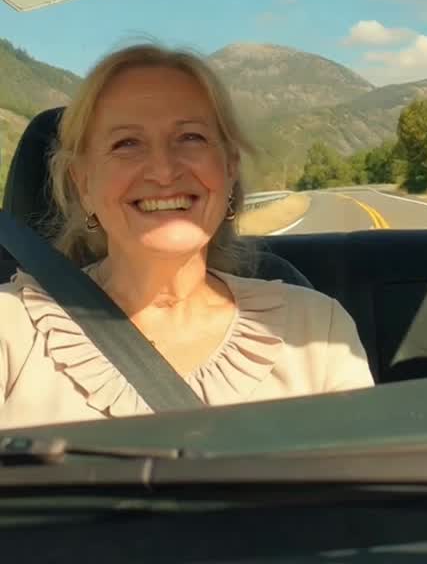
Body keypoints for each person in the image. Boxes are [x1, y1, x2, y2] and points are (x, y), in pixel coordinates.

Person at [0, 45, 373, 429]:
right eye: (126, 143)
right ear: (83, 183)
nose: (164, 170)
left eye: (191, 137)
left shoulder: (316, 328)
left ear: (229, 168)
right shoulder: (10, 327)